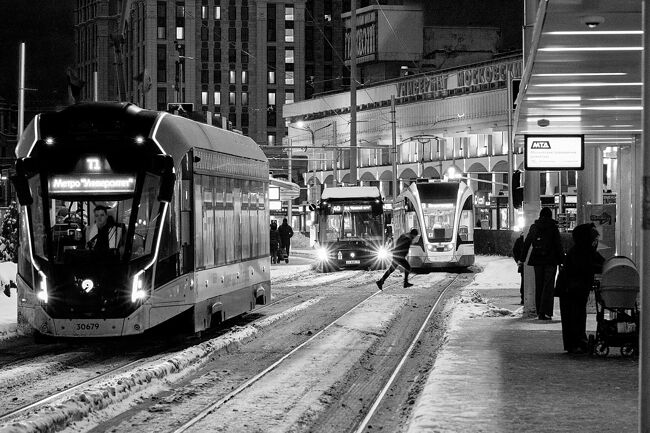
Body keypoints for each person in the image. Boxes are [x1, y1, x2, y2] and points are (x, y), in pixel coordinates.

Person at [560, 223, 604, 354]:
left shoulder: (583, 250)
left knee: (576, 315)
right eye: (594, 240)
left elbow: (600, 262)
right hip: (571, 289)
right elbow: (587, 267)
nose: (595, 243)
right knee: (574, 315)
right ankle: (576, 343)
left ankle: (577, 342)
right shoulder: (580, 252)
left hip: (575, 288)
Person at [519, 207, 565, 320]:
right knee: (548, 286)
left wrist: (522, 259)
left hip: (537, 259)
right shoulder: (553, 227)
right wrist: (562, 261)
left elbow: (527, 243)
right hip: (551, 260)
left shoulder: (534, 227)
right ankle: (546, 312)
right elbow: (558, 245)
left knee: (539, 285)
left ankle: (539, 311)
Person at [512, 232, 525, 305]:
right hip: (528, 263)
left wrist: (518, 261)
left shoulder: (520, 240)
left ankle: (523, 297)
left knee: (524, 281)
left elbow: (515, 251)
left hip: (523, 264)